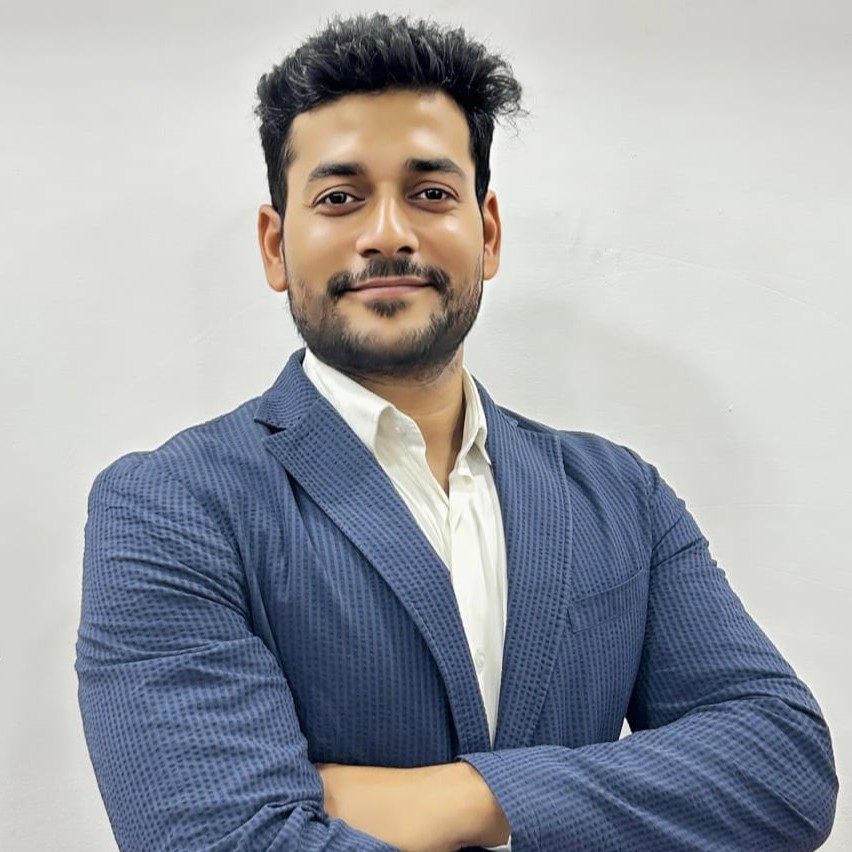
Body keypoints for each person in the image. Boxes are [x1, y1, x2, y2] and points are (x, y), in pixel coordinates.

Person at [76, 13, 838, 852]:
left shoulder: (621, 494)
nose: (388, 233)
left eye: (431, 194)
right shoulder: (172, 506)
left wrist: (456, 799)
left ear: (489, 231)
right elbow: (225, 840)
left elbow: (785, 766)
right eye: (339, 199)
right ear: (275, 245)